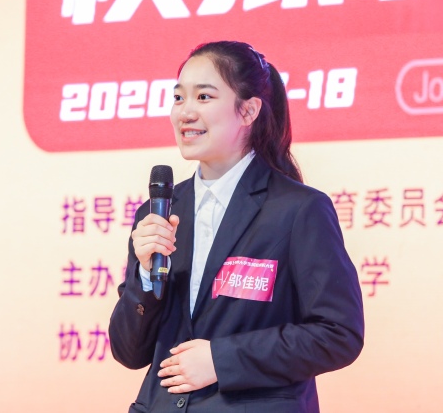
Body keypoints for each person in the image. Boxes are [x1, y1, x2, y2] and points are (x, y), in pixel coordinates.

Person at [109, 40, 364, 412]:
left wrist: (221, 360)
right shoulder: (159, 213)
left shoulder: (298, 209)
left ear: (248, 111)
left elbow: (338, 334)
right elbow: (129, 351)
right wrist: (146, 278)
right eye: (178, 98)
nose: (185, 112)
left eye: (204, 97)